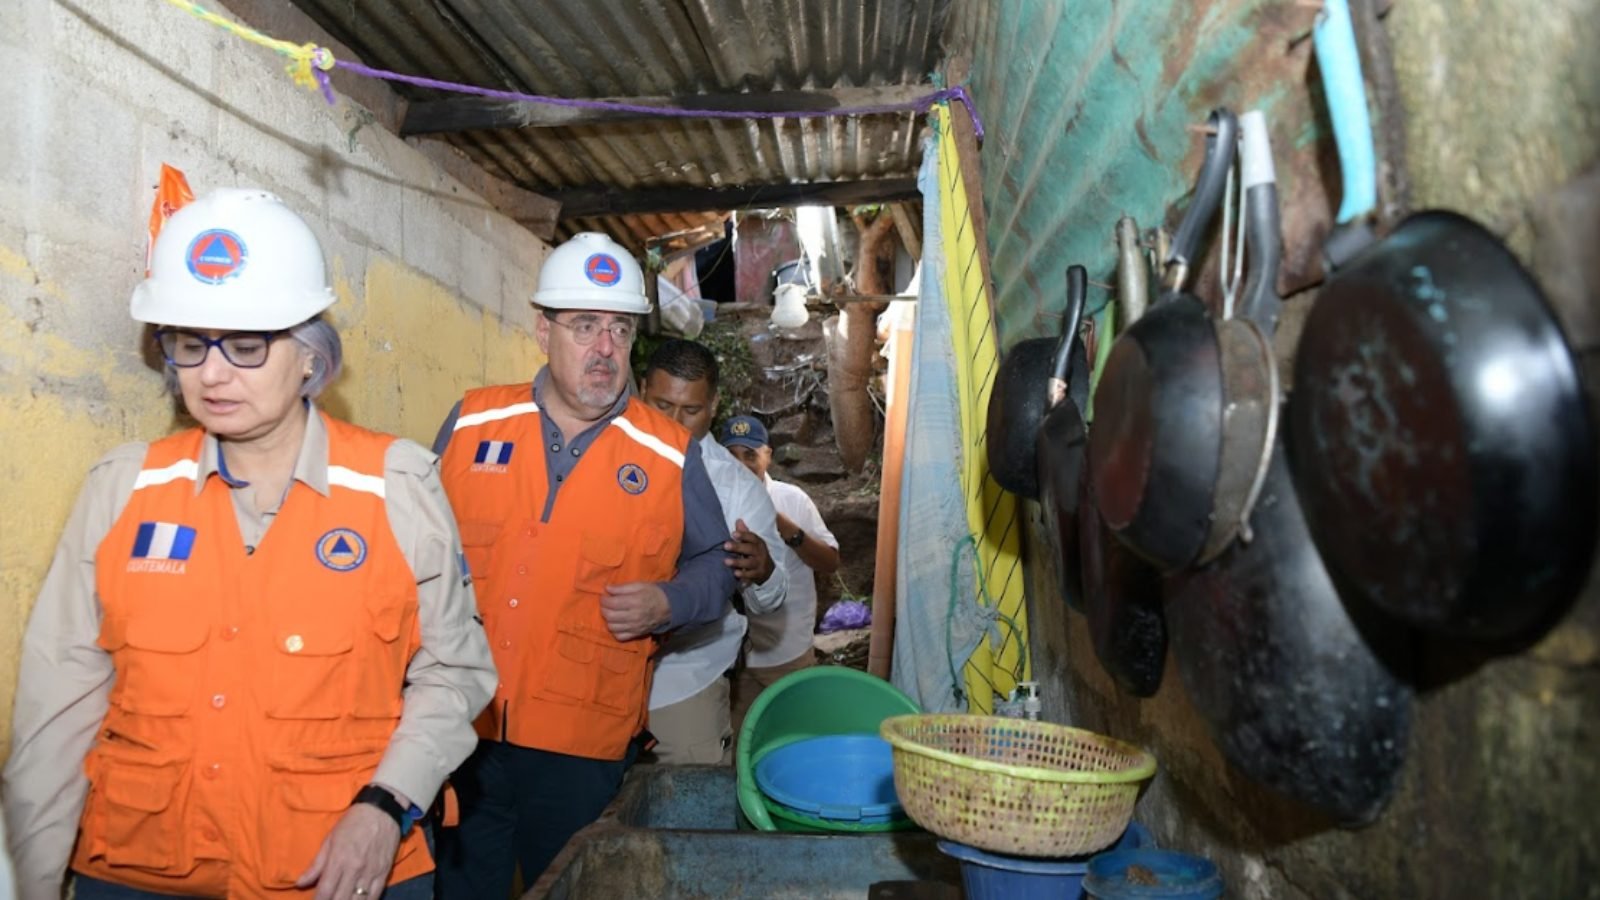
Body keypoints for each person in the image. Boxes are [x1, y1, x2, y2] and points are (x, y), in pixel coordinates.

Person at [1, 188, 497, 900]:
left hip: (335, 873)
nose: (212, 373)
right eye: (190, 344)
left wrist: (388, 804)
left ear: (310, 357)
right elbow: (56, 714)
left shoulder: (397, 485)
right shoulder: (122, 488)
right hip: (141, 871)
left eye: (246, 345)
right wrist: (31, 885)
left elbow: (456, 673)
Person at [430, 233, 737, 895]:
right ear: (544, 331)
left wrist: (671, 601)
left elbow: (718, 563)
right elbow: (413, 551)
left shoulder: (668, 452)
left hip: (581, 741)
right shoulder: (473, 422)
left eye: (620, 330)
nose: (605, 348)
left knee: (572, 887)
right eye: (585, 326)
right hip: (461, 726)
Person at [640, 340, 787, 765]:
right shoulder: (600, 452)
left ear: (714, 405)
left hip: (683, 682)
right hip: (590, 679)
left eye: (691, 410)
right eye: (662, 405)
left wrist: (763, 571)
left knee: (690, 797)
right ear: (641, 391)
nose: (674, 422)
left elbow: (771, 599)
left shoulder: (738, 489)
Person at [719, 416, 841, 725]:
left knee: (795, 734)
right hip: (733, 660)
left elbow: (830, 562)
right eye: (731, 456)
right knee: (741, 741)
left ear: (768, 456)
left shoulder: (792, 500)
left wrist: (786, 528)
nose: (741, 465)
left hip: (788, 653)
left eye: (750, 455)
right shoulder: (710, 502)